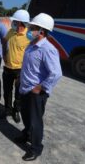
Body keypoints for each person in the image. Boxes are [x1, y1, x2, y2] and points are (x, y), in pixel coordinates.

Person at [16, 13, 62, 161]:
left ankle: (35, 148)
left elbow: (56, 73)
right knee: (26, 115)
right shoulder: (31, 44)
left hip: (36, 92)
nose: (29, 30)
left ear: (41, 30)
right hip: (25, 87)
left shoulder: (48, 49)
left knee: (36, 121)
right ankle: (27, 134)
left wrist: (41, 87)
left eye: (33, 27)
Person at [0, 10, 30, 121]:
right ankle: (7, 109)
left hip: (20, 70)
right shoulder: (11, 32)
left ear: (21, 22)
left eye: (16, 21)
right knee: (7, 91)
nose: (14, 23)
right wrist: (4, 53)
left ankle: (16, 111)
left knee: (18, 93)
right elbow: (4, 41)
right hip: (8, 68)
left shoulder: (29, 35)